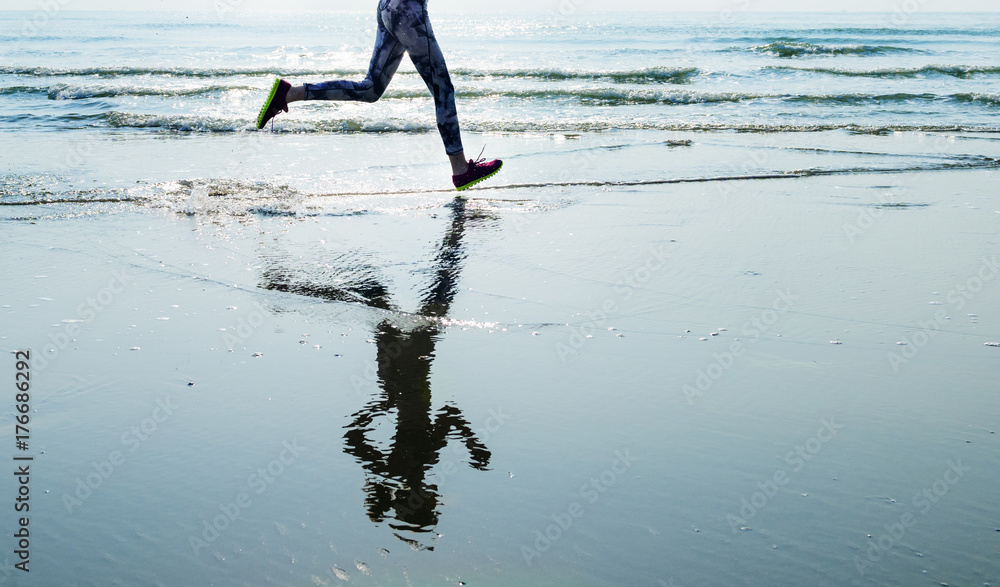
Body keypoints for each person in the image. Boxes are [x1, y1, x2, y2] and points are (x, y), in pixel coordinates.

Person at [255, 0, 502, 191]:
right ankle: (460, 170)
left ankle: (290, 94)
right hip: (408, 11)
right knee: (443, 89)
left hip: (389, 8)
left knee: (370, 89)